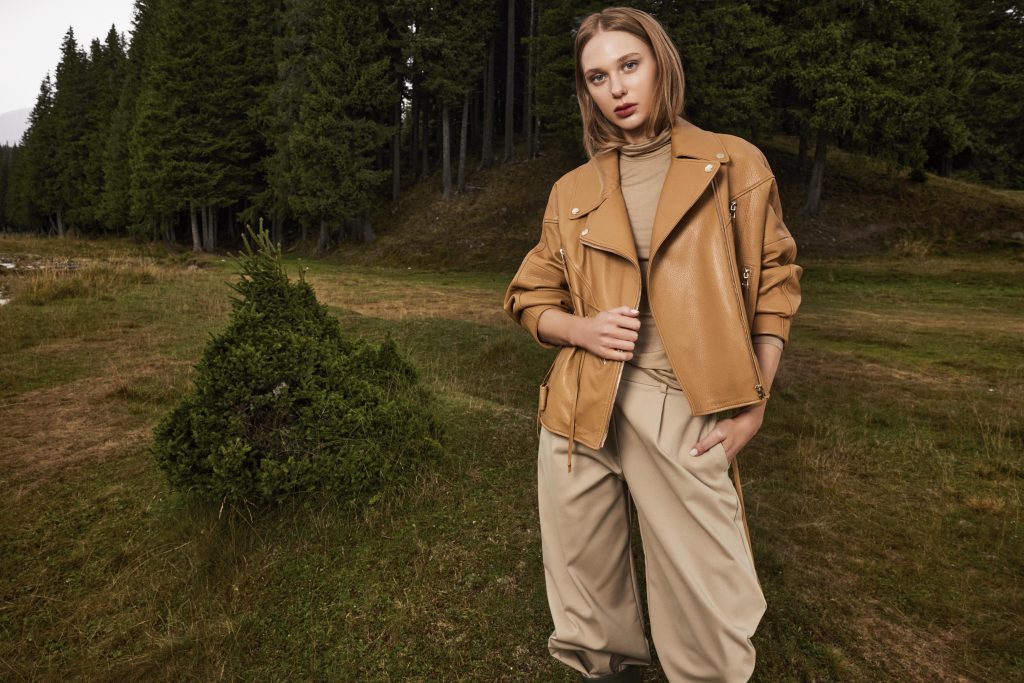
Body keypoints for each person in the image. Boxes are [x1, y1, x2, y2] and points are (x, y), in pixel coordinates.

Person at [502, 7, 803, 683]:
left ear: (661, 64)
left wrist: (755, 400)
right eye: (597, 76)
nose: (617, 88)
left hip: (682, 403)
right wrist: (581, 329)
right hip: (580, 408)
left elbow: (776, 283)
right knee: (587, 606)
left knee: (708, 611)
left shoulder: (733, 163)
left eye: (629, 65)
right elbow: (528, 296)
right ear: (587, 91)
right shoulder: (572, 191)